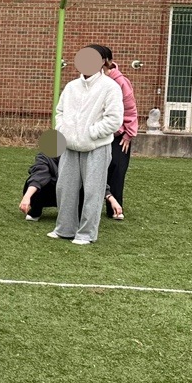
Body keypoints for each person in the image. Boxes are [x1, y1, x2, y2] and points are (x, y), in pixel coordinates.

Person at [50, 47, 124, 245]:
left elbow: (114, 119)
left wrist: (91, 133)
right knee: (64, 188)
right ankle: (64, 229)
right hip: (70, 146)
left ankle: (86, 234)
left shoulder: (110, 87)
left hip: (96, 147)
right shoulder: (71, 86)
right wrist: (63, 130)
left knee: (93, 192)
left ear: (102, 62)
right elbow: (59, 112)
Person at [93, 44, 137, 221]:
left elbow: (130, 108)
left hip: (118, 136)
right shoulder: (90, 81)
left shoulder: (120, 82)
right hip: (97, 134)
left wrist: (128, 134)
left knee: (117, 170)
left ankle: (115, 208)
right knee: (94, 169)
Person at [19, 151, 59, 220]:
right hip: (55, 191)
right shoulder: (46, 154)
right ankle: (36, 209)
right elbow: (39, 174)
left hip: (74, 192)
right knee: (35, 183)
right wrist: (27, 197)